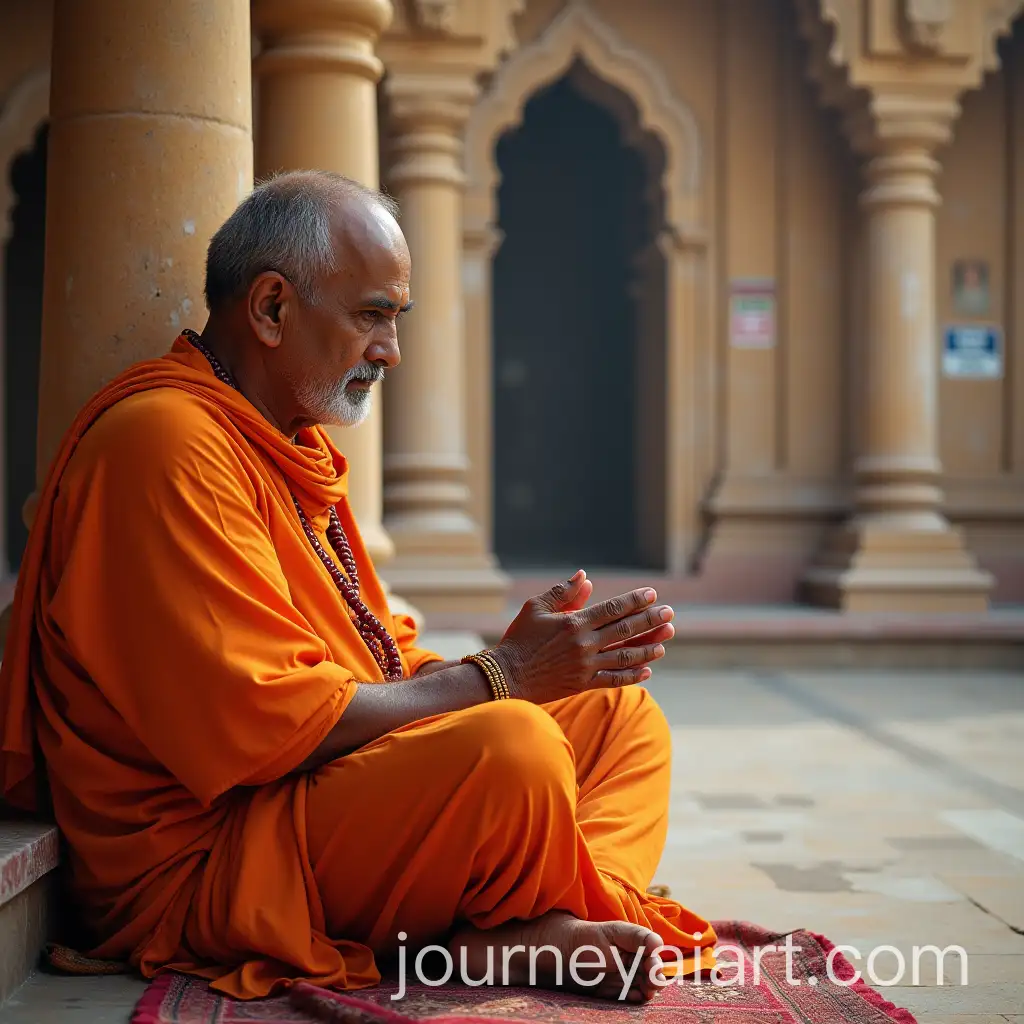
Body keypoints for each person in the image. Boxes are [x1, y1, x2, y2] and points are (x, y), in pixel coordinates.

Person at [0, 170, 714, 1003]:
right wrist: (503, 678)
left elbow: (367, 653)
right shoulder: (164, 444)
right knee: (515, 751)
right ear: (271, 309)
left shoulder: (278, 441)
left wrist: (524, 669)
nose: (391, 351)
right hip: (217, 852)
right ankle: (505, 920)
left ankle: (508, 923)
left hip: (305, 792)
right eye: (372, 315)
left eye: (395, 320)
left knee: (619, 718)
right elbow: (266, 722)